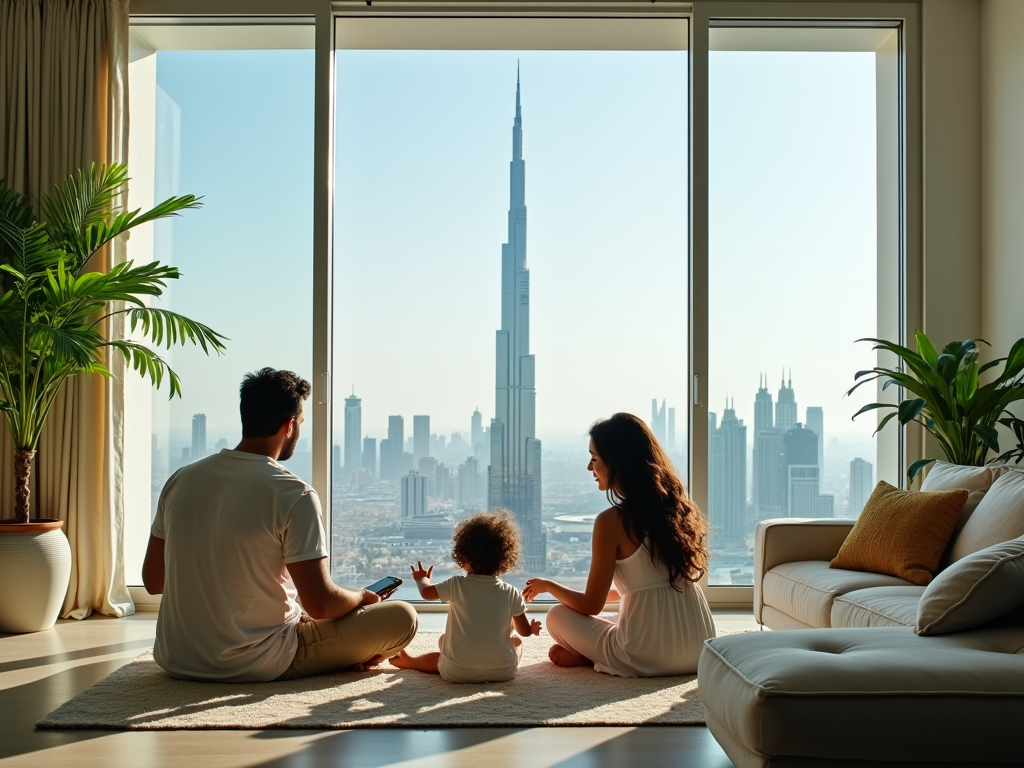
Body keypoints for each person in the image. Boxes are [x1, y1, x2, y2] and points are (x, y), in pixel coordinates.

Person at [142, 367, 417, 682]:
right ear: (289, 425)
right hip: (259, 660)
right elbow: (321, 605)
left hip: (176, 657)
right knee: (402, 617)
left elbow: (153, 580)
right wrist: (361, 597)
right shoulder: (293, 493)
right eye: (300, 423)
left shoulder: (181, 480)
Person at [523, 412, 715, 677]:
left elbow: (592, 605)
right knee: (618, 614)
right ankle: (597, 654)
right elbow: (642, 589)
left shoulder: (611, 521)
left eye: (594, 459)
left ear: (617, 463)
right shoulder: (676, 510)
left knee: (556, 616)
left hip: (646, 656)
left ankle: (600, 658)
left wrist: (548, 586)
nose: (589, 468)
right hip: (699, 649)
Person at [389, 510, 542, 683]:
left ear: (462, 556)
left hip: (457, 673)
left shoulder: (456, 585)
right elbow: (524, 631)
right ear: (505, 559)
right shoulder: (511, 592)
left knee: (443, 643)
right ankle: (496, 663)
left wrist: (422, 579)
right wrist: (532, 627)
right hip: (503, 673)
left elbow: (426, 593)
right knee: (517, 642)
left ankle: (412, 661)